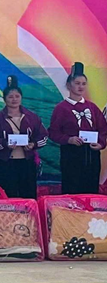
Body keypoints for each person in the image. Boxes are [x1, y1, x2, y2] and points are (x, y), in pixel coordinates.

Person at [49, 62, 107, 195]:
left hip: (92, 157)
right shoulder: (61, 108)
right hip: (71, 157)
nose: (81, 86)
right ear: (69, 85)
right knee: (72, 191)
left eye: (83, 84)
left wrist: (101, 143)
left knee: (91, 191)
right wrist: (68, 139)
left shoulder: (92, 107)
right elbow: (53, 132)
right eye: (77, 83)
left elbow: (103, 129)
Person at [0, 75, 47, 199]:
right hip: (6, 163)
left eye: (17, 96)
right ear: (4, 99)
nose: (14, 99)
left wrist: (33, 144)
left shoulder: (32, 117)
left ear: (21, 98)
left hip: (27, 163)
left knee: (28, 196)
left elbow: (43, 136)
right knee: (7, 196)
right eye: (10, 97)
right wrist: (5, 144)